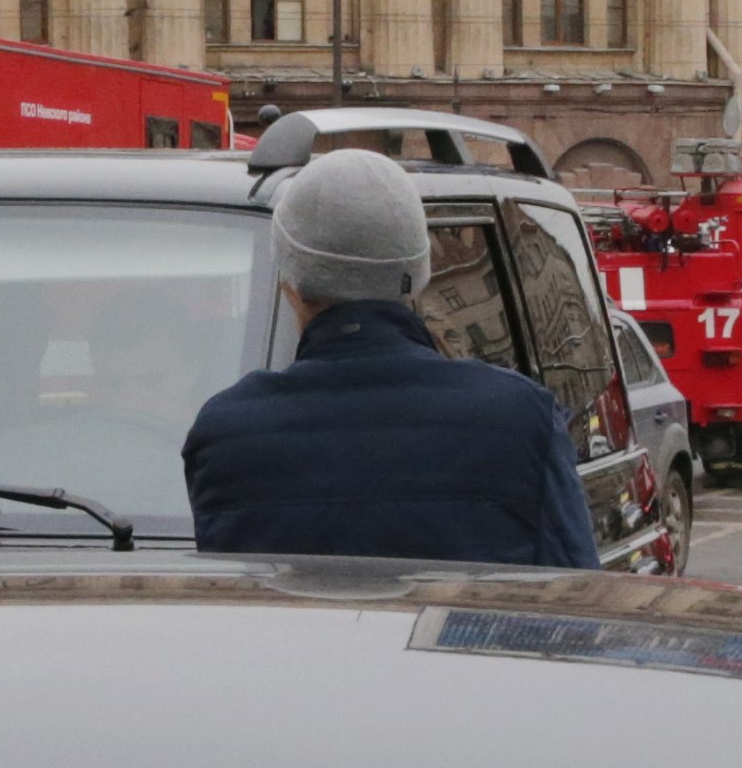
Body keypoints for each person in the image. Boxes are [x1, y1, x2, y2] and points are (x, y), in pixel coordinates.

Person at [183, 145, 599, 568]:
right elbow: (575, 597)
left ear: (289, 284)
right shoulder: (521, 419)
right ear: (420, 276)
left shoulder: (226, 436)